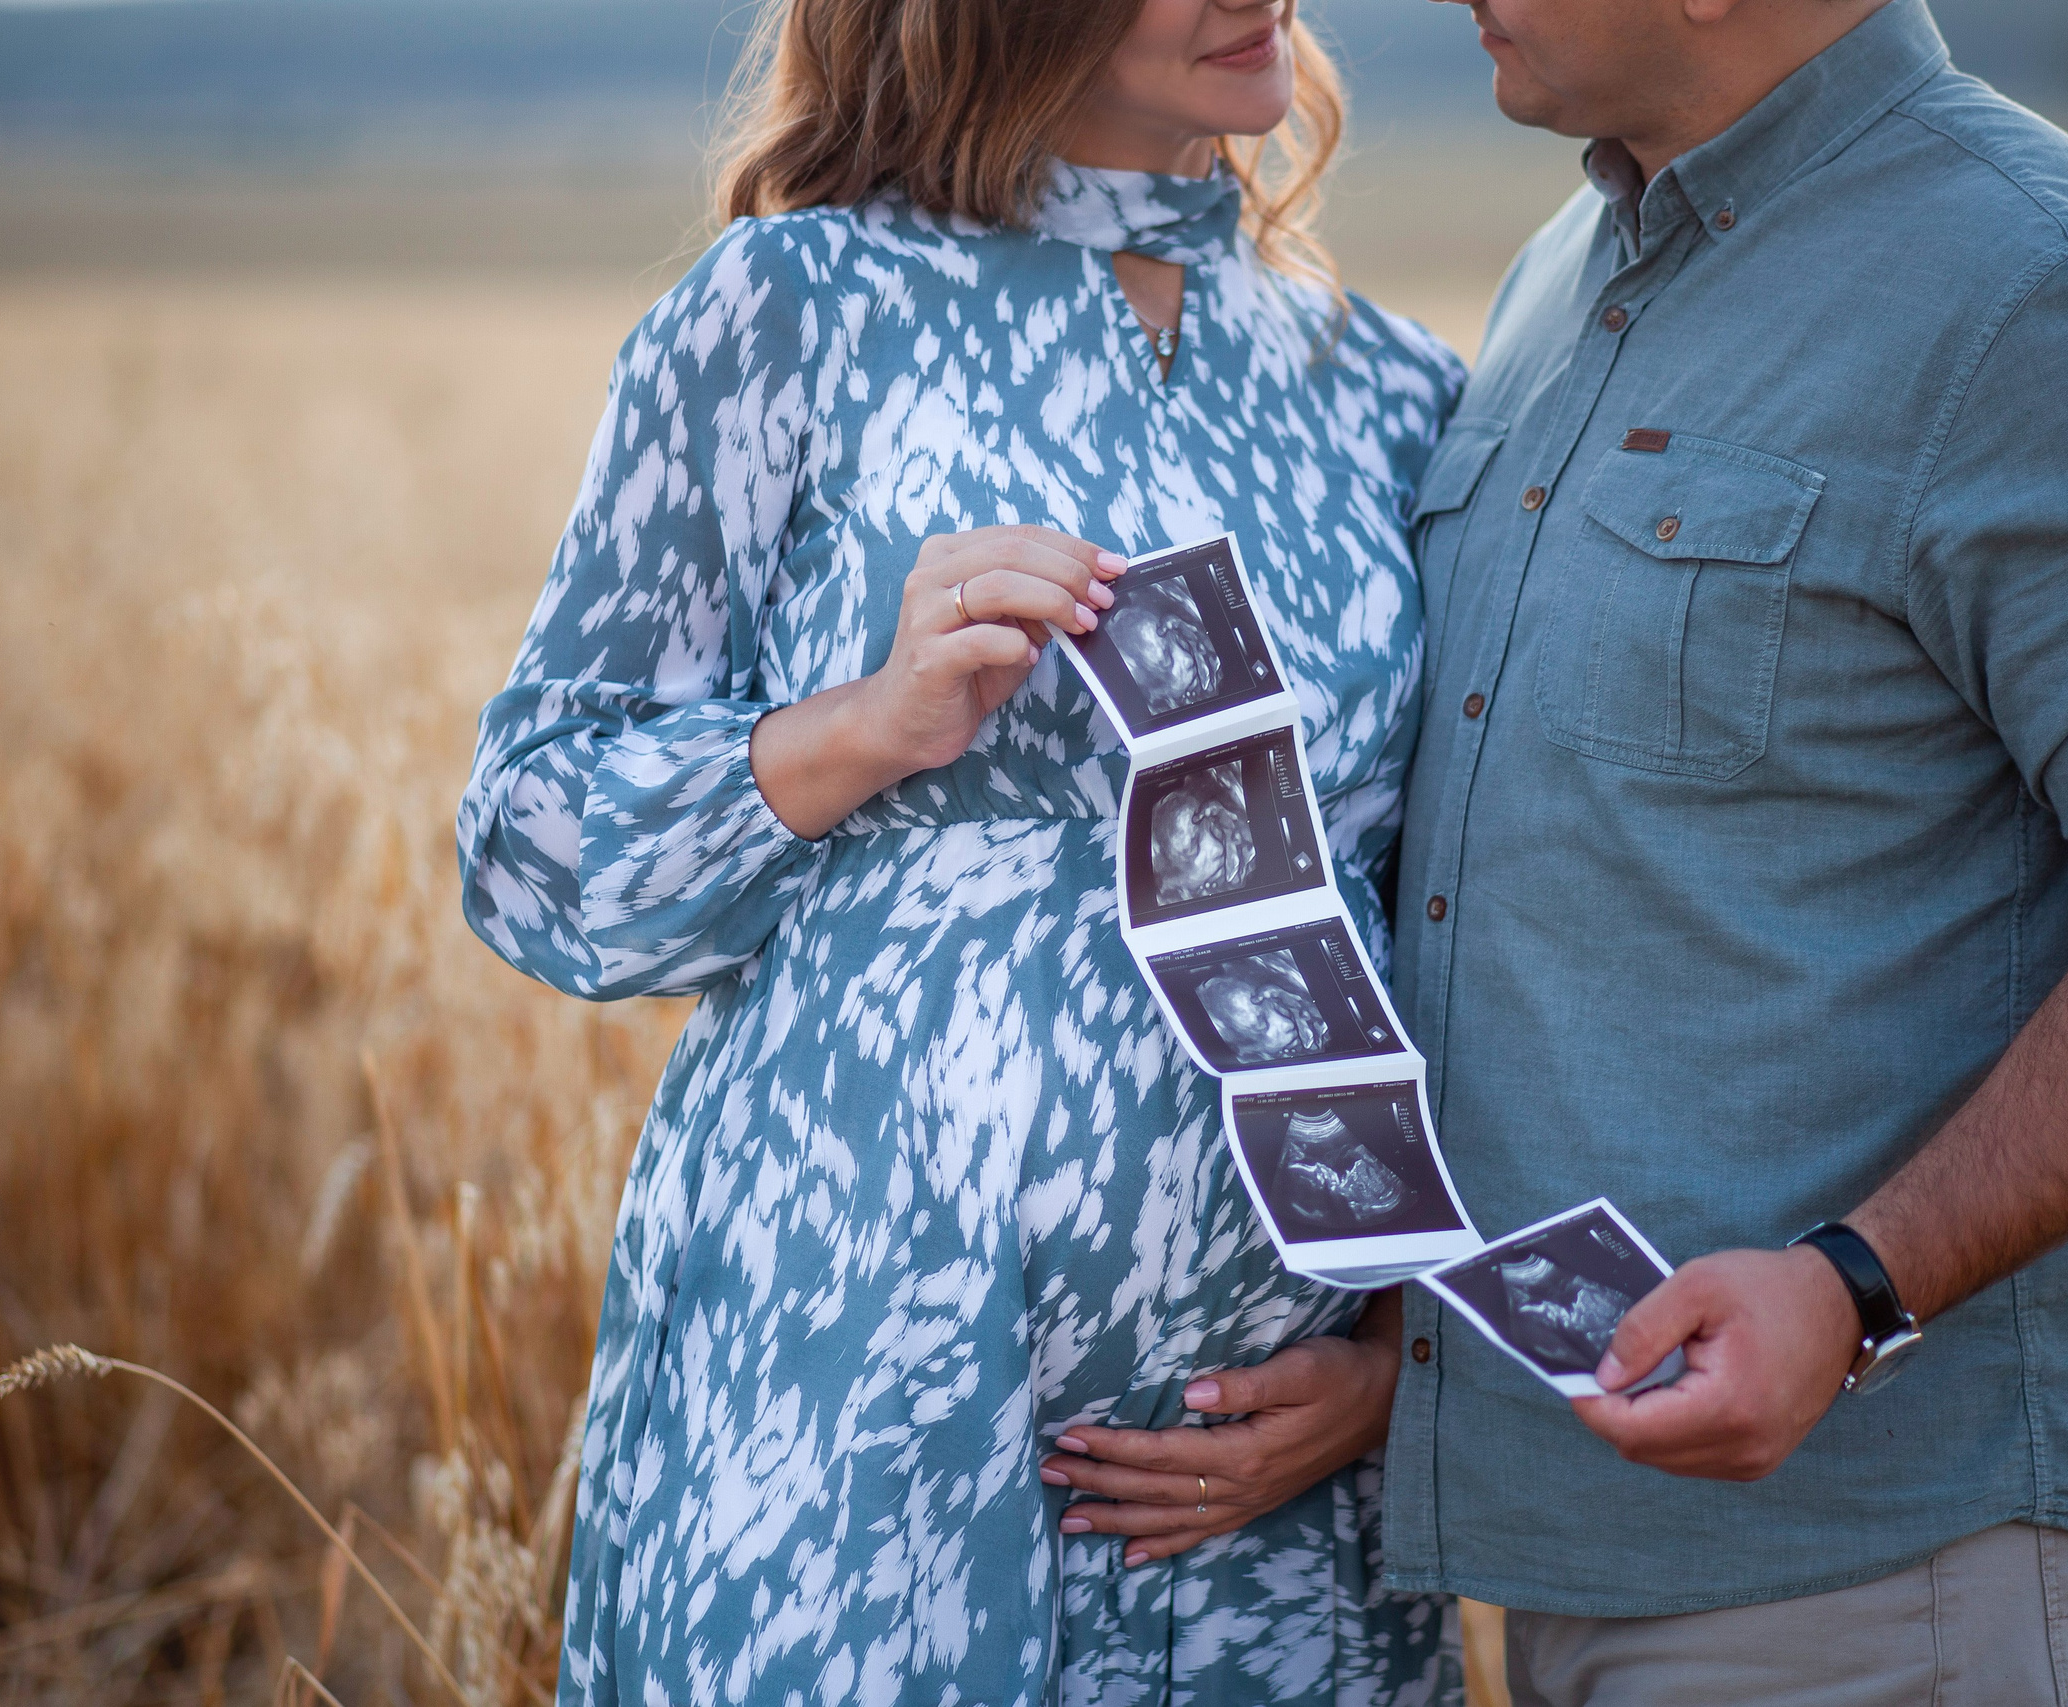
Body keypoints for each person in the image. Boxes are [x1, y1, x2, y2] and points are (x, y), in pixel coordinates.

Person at [1059, 1, 2068, 1701]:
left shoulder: (2040, 293)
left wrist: (1857, 1292)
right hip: (1572, 1534)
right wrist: (1402, 1348)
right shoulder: (1560, 282)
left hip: (1885, 1557)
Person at [453, 0, 1469, 1700]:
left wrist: (1396, 1362)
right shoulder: (791, 313)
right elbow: (535, 849)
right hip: (849, 1422)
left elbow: (1451, 916)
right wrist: (872, 722)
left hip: (1265, 1501)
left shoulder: (1385, 385)